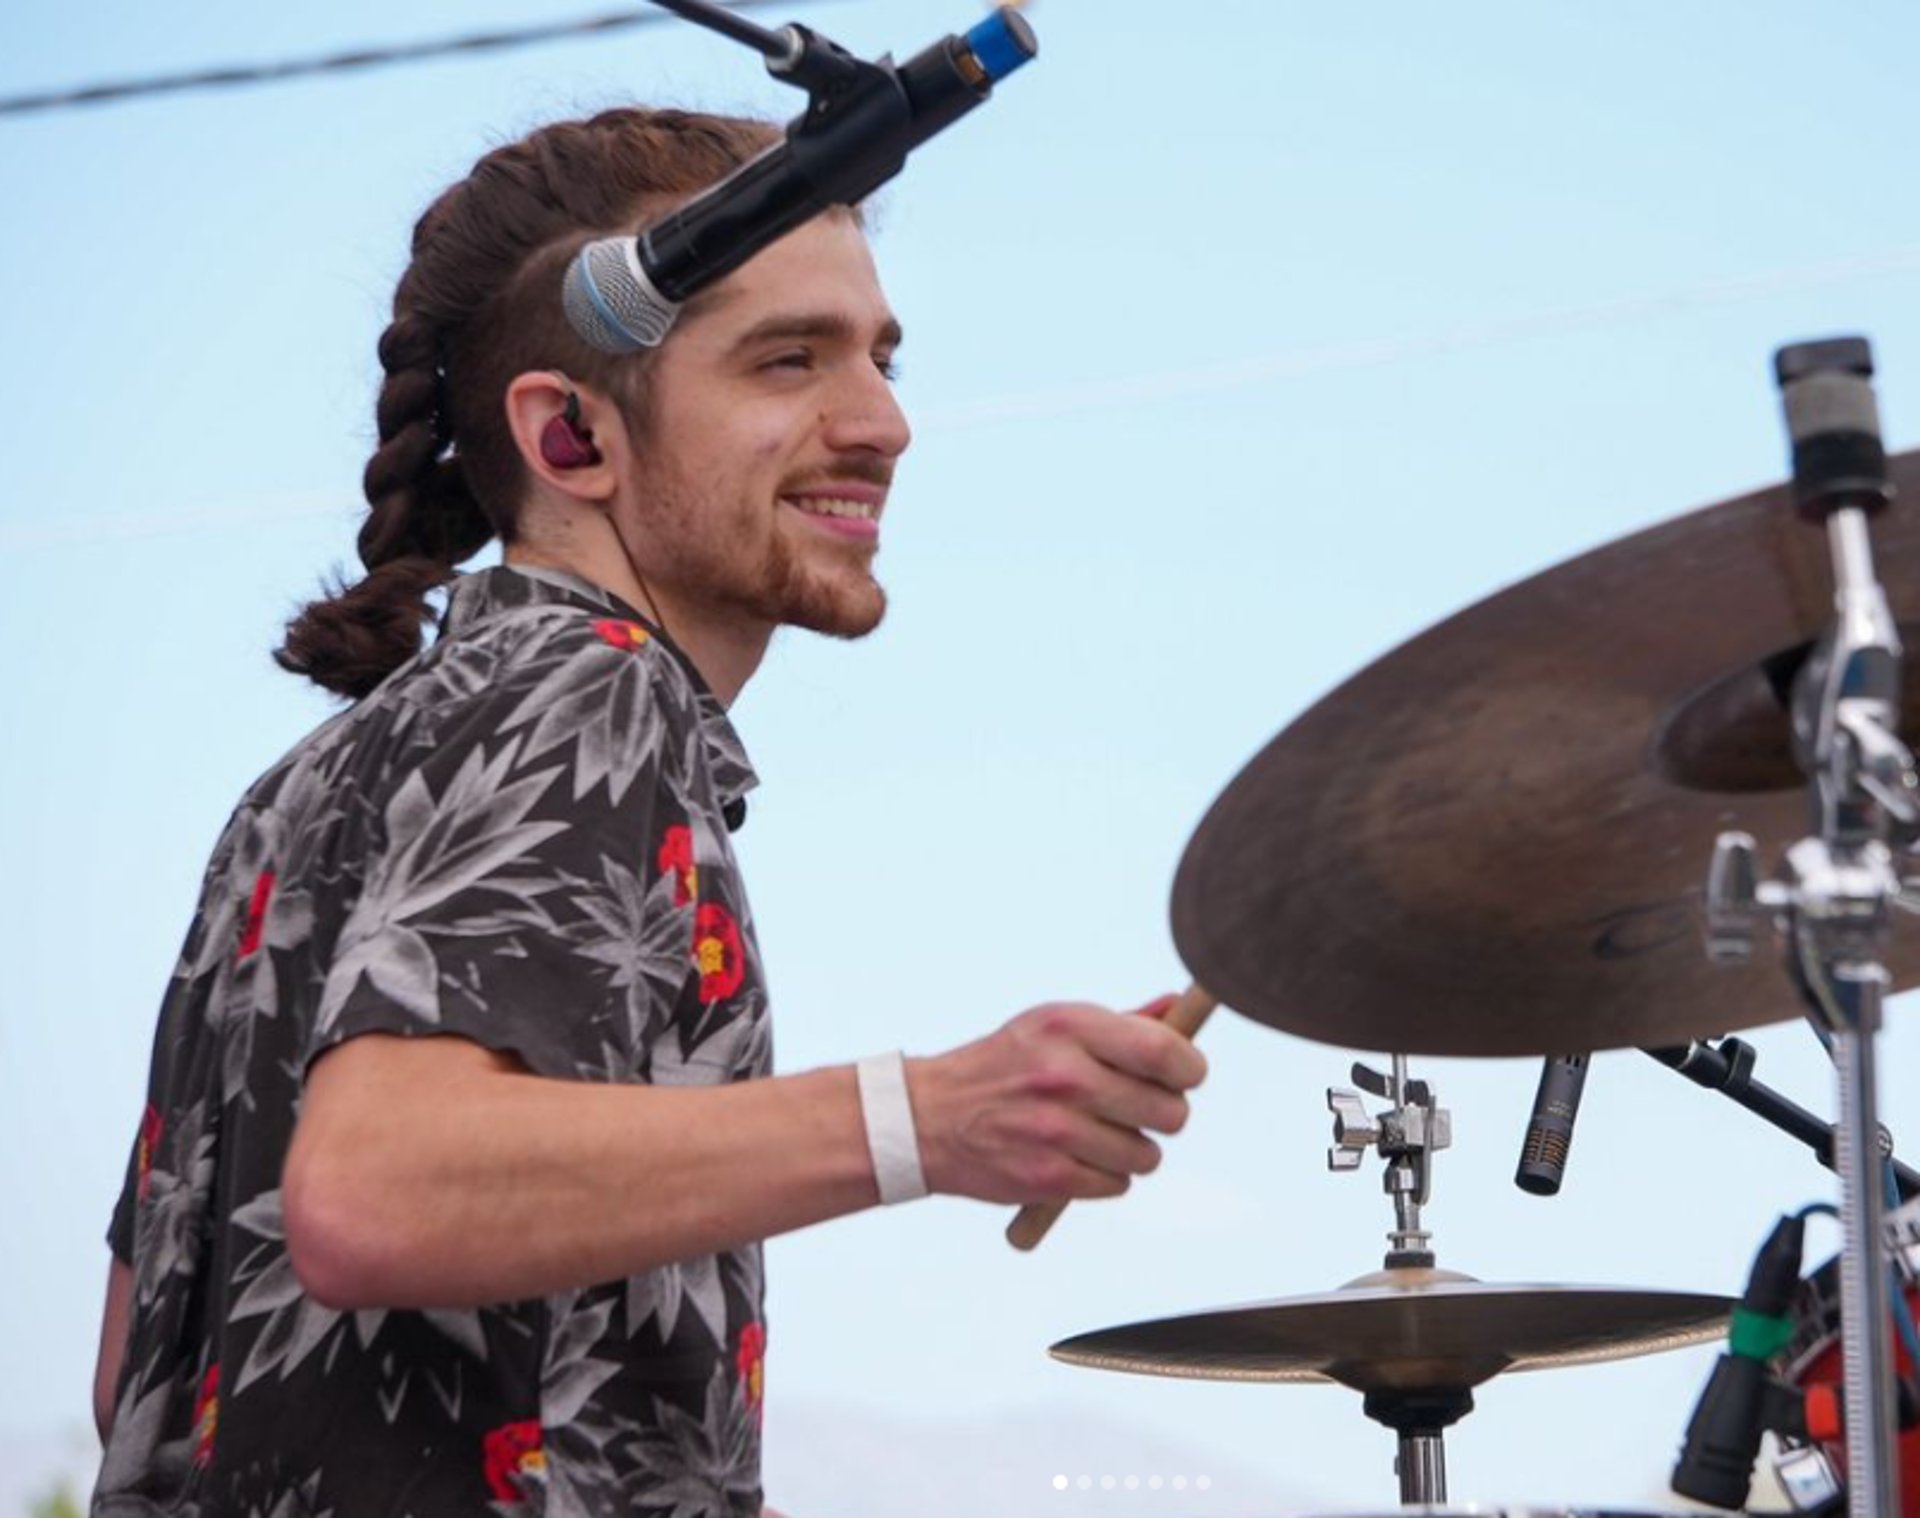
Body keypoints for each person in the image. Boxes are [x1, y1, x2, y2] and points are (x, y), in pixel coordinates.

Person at [91, 106, 1206, 1518]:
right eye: (787, 360)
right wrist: (932, 1117)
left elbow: (143, 1368)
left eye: (879, 355)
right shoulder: (587, 689)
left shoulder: (299, 795)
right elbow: (371, 1194)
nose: (882, 422)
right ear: (572, 437)